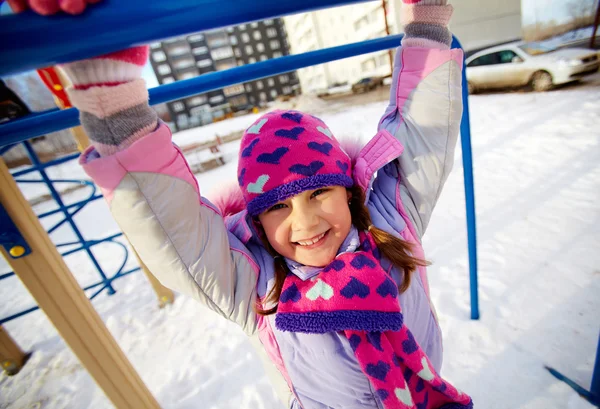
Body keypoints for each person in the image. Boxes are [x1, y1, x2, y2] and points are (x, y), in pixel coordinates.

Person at [12, 0, 472, 407]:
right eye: (278, 207)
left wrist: (428, 15)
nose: (305, 221)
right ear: (256, 220)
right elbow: (173, 230)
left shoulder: (391, 219)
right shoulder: (255, 286)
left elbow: (423, 131)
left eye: (318, 192)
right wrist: (111, 97)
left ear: (347, 191)